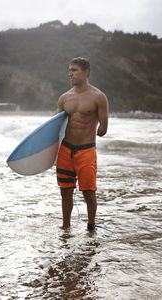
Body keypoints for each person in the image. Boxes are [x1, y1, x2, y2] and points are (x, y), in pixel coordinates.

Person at [56, 57, 108, 230]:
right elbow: (54, 126)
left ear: (86, 72)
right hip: (65, 149)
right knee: (65, 191)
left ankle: (91, 226)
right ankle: (65, 227)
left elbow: (103, 127)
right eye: (69, 70)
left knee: (88, 191)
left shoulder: (99, 97)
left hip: (86, 150)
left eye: (74, 70)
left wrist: (100, 129)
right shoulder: (64, 98)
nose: (70, 73)